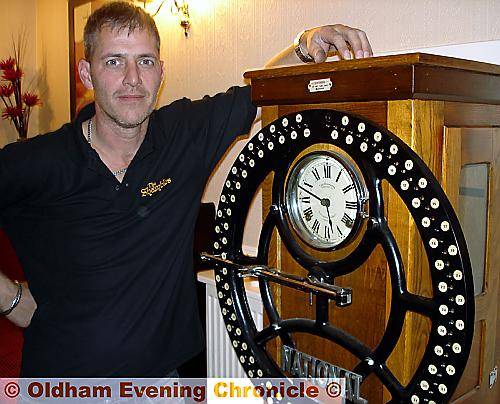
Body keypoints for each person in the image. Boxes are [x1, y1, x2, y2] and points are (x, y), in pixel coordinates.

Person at [0, 1, 372, 377]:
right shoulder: (38, 162)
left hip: (162, 383)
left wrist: (306, 45)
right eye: (114, 61)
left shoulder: (182, 134)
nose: (132, 78)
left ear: (161, 72)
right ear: (86, 73)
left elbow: (258, 94)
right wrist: (10, 298)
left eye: (145, 61)